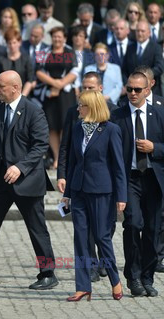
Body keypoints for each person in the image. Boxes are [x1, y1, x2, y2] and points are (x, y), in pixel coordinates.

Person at [0, 70, 58, 290]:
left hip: (27, 182)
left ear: (16, 88)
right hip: (0, 181)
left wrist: (20, 168)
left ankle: (48, 273)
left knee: (37, 229)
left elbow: (40, 146)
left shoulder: (33, 111)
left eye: (1, 86)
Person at [61, 90, 126, 302]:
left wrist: (121, 196)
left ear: (92, 107)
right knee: (80, 239)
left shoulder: (111, 130)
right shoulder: (77, 128)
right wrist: (67, 194)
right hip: (79, 191)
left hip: (101, 191)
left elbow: (118, 166)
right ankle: (83, 287)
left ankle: (115, 280)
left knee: (101, 237)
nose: (78, 108)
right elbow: (72, 163)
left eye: (81, 105)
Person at [57, 72, 118, 282]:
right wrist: (63, 178)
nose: (86, 92)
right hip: (80, 185)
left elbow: (117, 160)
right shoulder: (75, 118)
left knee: (104, 231)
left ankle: (107, 268)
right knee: (83, 232)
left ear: (100, 88)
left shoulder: (113, 117)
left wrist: (121, 194)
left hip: (103, 186)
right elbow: (67, 149)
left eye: (90, 88)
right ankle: (88, 271)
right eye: (83, 87)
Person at [111, 71, 164, 297]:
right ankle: (133, 276)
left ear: (147, 90)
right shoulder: (117, 116)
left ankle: (147, 277)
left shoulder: (160, 113)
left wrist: (155, 148)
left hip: (154, 179)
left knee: (153, 230)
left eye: (137, 90)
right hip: (129, 179)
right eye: (129, 89)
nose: (132, 93)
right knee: (133, 225)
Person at [36, 26, 78, 169]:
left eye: (59, 36)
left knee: (64, 126)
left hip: (66, 94)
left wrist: (59, 85)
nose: (57, 39)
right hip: (50, 94)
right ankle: (56, 157)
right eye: (54, 36)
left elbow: (75, 71)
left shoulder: (70, 52)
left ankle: (64, 159)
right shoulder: (44, 51)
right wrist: (54, 83)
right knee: (52, 127)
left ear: (65, 38)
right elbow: (38, 71)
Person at [122, 21, 164, 96]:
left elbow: (159, 67)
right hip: (133, 91)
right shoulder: (130, 47)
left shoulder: (156, 47)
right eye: (138, 31)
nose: (140, 33)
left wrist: (145, 76)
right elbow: (124, 69)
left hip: (152, 91)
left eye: (142, 31)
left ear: (149, 33)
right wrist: (127, 83)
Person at [0, 29, 33, 96]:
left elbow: (30, 79)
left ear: (19, 43)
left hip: (23, 95)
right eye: (9, 43)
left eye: (14, 42)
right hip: (5, 96)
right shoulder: (2, 59)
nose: (12, 46)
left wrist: (22, 96)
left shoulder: (26, 59)